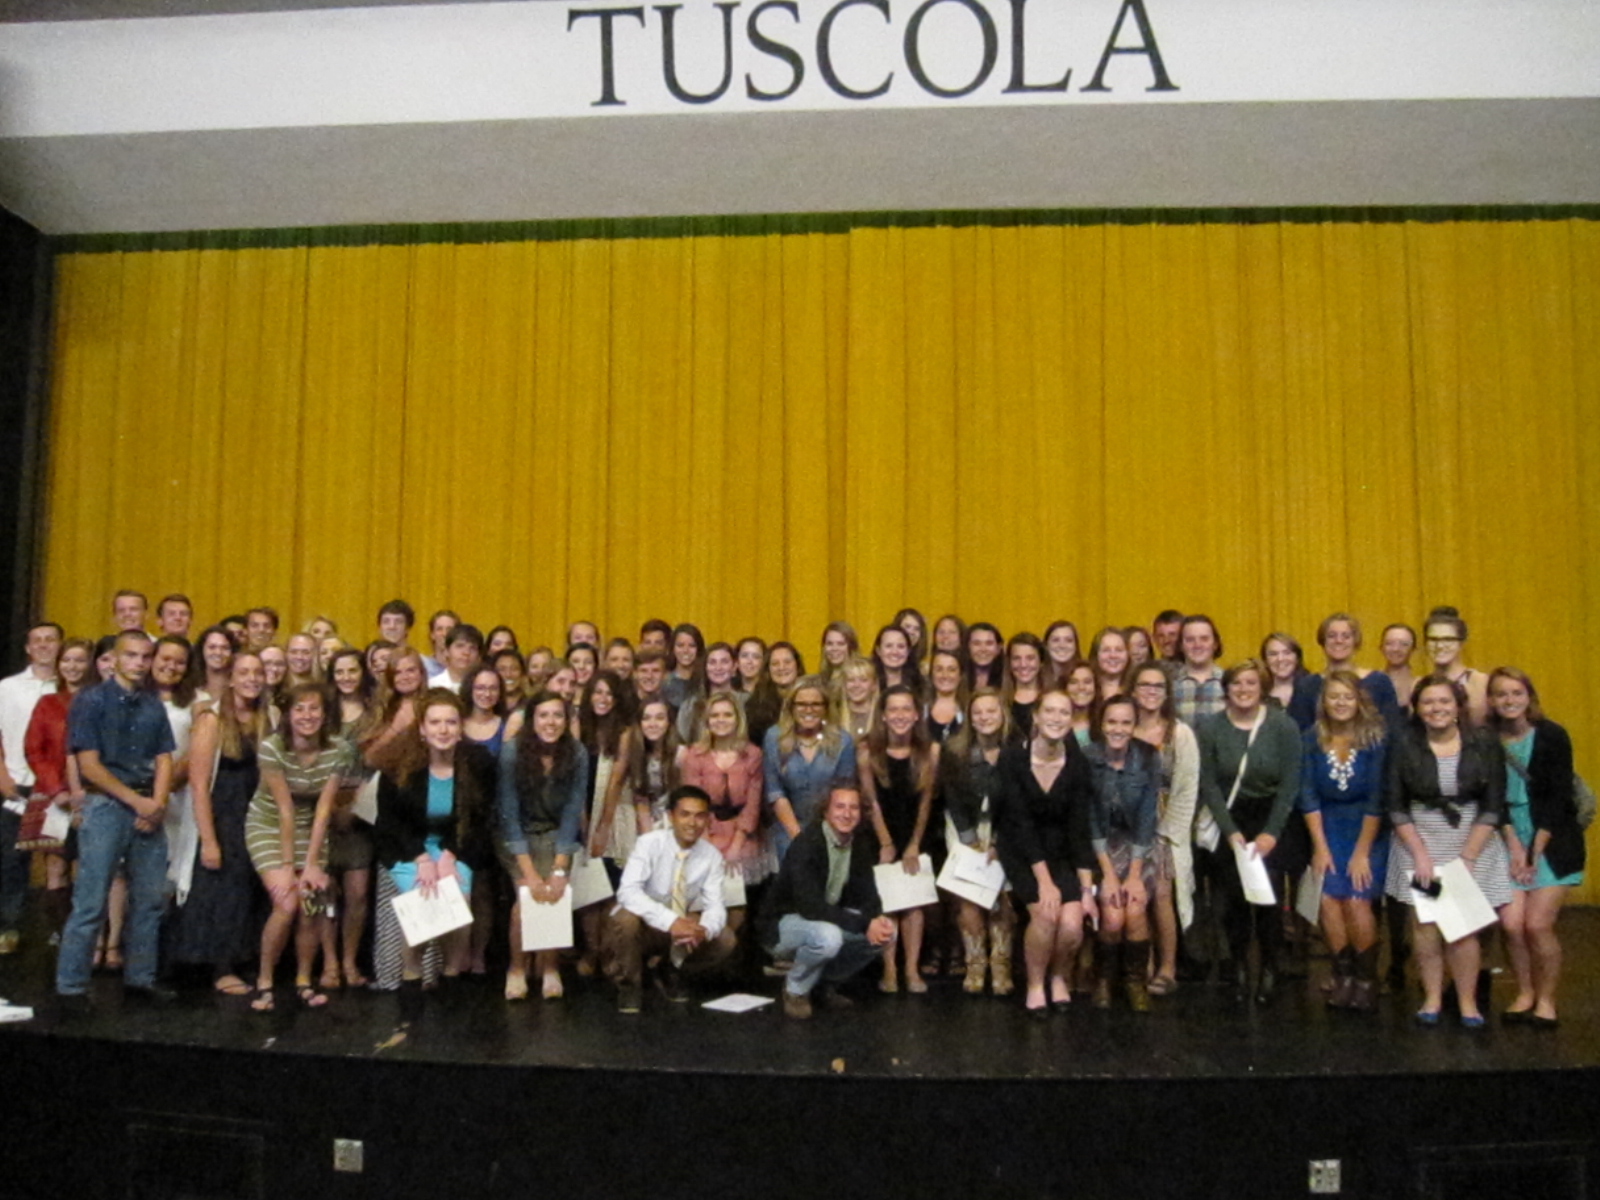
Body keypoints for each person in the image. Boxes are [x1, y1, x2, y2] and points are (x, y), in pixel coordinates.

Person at [56, 631, 177, 1008]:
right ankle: (71, 985)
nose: (139, 663)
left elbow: (164, 758)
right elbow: (89, 765)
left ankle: (140, 979)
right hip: (106, 804)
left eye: (145, 657)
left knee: (149, 900)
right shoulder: (91, 700)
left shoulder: (153, 704)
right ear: (115, 658)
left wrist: (156, 803)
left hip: (146, 803)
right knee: (91, 900)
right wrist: (137, 802)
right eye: (131, 656)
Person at [1384, 675, 1511, 1028]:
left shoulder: (1483, 742)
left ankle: (1467, 1001)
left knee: (1463, 926)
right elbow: (1395, 805)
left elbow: (1493, 804)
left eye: (1444, 701)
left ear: (1457, 706)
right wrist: (1421, 856)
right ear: (1417, 708)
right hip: (1419, 837)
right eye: (1428, 702)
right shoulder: (1404, 743)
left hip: (1472, 837)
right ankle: (1432, 998)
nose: (1436, 708)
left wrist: (1467, 857)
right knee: (1426, 923)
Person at [374, 689, 496, 991]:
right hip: (408, 848)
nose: (443, 730)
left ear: (460, 728)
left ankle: (452, 982)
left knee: (459, 906)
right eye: (435, 722)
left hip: (456, 845)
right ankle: (412, 979)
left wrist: (450, 855)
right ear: (422, 729)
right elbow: (390, 822)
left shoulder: (477, 762)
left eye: (451, 722)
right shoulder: (397, 764)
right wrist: (422, 858)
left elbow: (479, 819)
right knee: (425, 908)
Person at [1196, 659, 1302, 1005]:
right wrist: (1229, 831)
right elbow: (1209, 783)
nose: (1243, 690)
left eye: (1251, 683)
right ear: (1226, 689)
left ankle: (1271, 967)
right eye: (1236, 683)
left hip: (1272, 818)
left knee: (1270, 900)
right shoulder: (1210, 727)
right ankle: (1239, 966)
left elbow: (1290, 784)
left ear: (1262, 688)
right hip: (1230, 818)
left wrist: (1271, 833)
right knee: (1234, 901)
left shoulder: (1283, 726)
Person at [169, 651, 271, 996]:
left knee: (248, 891)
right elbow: (198, 784)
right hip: (222, 816)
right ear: (230, 678)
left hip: (255, 815)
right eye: (244, 672)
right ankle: (219, 967)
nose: (252, 679)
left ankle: (242, 960)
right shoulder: (212, 720)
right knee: (223, 892)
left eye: (257, 672)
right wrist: (209, 840)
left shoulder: (266, 719)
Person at [244, 684, 351, 1010]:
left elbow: (324, 809)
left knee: (311, 903)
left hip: (311, 826)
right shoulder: (272, 748)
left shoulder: (338, 749)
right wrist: (290, 867)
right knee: (287, 901)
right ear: (288, 715)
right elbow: (285, 809)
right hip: (269, 824)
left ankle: (303, 980)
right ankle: (265, 981)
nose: (307, 716)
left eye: (314, 708)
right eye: (299, 709)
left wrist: (313, 864)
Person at [1489, 667, 1583, 1027]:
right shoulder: (1487, 739)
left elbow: (1559, 798)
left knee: (1537, 925)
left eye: (1516, 693)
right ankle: (1525, 992)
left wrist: (1532, 853)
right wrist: (1514, 847)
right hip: (1507, 836)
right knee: (1512, 925)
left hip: (1553, 841)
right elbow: (1492, 799)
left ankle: (1546, 999)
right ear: (1491, 700)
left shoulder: (1552, 735)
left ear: (1529, 696)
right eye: (1501, 694)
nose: (1509, 700)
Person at [994, 689, 1097, 1018]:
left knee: (1072, 925)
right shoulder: (1012, 759)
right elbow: (1019, 823)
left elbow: (1079, 828)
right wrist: (1045, 882)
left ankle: (1058, 976)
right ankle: (1036, 985)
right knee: (1046, 915)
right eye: (1049, 711)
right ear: (1036, 717)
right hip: (1021, 851)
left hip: (1061, 853)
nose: (1056, 718)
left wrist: (1086, 890)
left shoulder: (1078, 764)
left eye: (1064, 712)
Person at [759, 785, 895, 1019]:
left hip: (824, 918)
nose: (847, 814)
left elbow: (868, 895)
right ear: (826, 811)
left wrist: (876, 919)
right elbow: (810, 907)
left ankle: (822, 984)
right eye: (840, 806)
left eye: (853, 808)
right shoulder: (807, 843)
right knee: (828, 937)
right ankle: (795, 989)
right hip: (783, 925)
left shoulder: (858, 844)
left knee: (888, 933)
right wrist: (864, 924)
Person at [1300, 670, 1390, 1012]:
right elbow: (1308, 794)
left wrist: (1362, 853)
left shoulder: (1375, 739)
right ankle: (1344, 975)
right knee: (1328, 899)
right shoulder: (1312, 738)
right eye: (1333, 696)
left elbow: (1376, 799)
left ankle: (1367, 979)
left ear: (1359, 701)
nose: (1340, 703)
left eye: (1347, 697)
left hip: (1367, 831)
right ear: (1323, 701)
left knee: (1356, 899)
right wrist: (1320, 847)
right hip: (1327, 827)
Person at [605, 784, 737, 1012]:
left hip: (679, 926)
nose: (692, 823)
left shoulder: (711, 856)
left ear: (707, 820)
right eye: (685, 814)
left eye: (699, 816)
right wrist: (670, 921)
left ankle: (670, 970)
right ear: (671, 816)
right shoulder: (649, 843)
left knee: (725, 938)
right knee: (626, 919)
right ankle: (629, 985)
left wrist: (704, 930)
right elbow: (628, 892)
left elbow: (715, 906)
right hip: (645, 924)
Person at [498, 690, 589, 1001]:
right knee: (526, 896)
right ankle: (517, 968)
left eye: (557, 715)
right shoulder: (512, 752)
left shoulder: (577, 753)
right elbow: (509, 813)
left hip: (555, 832)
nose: (551, 722)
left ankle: (550, 967)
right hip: (516, 834)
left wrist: (559, 867)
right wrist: (529, 872)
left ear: (566, 720)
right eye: (543, 715)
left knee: (554, 890)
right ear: (531, 719)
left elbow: (572, 811)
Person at [859, 685, 940, 994]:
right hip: (880, 833)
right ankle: (890, 968)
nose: (900, 715)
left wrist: (914, 843)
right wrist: (885, 842)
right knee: (888, 902)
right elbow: (870, 801)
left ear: (917, 714)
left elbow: (926, 801)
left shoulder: (930, 751)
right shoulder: (868, 751)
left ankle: (911, 968)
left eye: (906, 709)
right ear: (883, 715)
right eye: (893, 709)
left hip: (915, 832)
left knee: (913, 903)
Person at [1083, 694, 1160, 1011]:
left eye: (1126, 722)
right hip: (1098, 846)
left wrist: (1134, 874)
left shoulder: (1148, 756)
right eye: (1112, 722)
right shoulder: (1087, 758)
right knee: (1113, 915)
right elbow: (1090, 820)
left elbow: (1147, 818)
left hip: (1137, 845)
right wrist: (1110, 875)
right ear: (1101, 724)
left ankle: (1134, 982)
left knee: (1135, 908)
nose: (1118, 729)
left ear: (1134, 725)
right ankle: (1104, 979)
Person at [938, 688, 1015, 995]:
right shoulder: (954, 750)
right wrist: (970, 842)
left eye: (991, 711)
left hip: (1004, 830)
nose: (985, 717)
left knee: (1001, 897)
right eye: (978, 712)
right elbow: (952, 798)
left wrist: (999, 841)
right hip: (964, 828)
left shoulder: (1017, 749)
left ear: (1002, 714)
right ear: (970, 718)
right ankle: (975, 962)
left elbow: (1018, 802)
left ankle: (1001, 964)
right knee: (969, 898)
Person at [1129, 663, 1197, 997]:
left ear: (1167, 693)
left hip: (1165, 827)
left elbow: (1187, 788)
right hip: (1128, 828)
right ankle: (1144, 963)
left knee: (1162, 895)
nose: (1151, 691)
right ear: (1133, 690)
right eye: (1144, 685)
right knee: (1135, 897)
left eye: (1158, 686)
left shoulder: (1179, 734)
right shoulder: (1122, 727)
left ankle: (1167, 967)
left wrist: (1169, 834)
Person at [678, 692, 769, 934]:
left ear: (737, 719)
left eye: (727, 715)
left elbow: (753, 803)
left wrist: (736, 846)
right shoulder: (694, 755)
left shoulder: (753, 754)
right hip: (703, 834)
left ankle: (732, 948)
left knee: (736, 906)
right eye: (715, 715)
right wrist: (707, 846)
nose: (721, 720)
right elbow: (693, 803)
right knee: (705, 903)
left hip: (741, 834)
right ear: (707, 721)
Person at [23, 637, 93, 938]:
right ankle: (60, 934)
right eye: (67, 660)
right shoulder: (48, 703)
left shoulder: (99, 700)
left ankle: (90, 935)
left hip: (92, 794)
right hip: (54, 797)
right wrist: (57, 791)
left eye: (79, 660)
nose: (72, 666)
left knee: (92, 868)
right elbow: (34, 750)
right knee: (56, 867)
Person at [0, 621, 62, 954]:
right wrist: (2, 777)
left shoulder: (67, 687)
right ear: (27, 648)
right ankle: (9, 927)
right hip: (16, 785)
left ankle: (57, 930)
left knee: (57, 861)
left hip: (54, 787)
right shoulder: (6, 688)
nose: (43, 645)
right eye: (37, 640)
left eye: (50, 639)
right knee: (11, 861)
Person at [763, 678, 857, 861]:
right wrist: (799, 839)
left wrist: (826, 838)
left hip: (833, 829)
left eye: (816, 704)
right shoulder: (774, 737)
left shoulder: (842, 741)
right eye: (802, 704)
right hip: (788, 831)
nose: (808, 710)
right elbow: (775, 793)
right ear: (791, 707)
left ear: (825, 708)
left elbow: (843, 792)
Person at [1287, 614, 1401, 731]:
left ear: (1356, 641)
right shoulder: (1307, 685)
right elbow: (1298, 730)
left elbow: (1392, 728)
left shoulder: (1379, 682)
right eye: (1332, 636)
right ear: (1323, 641)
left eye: (1346, 636)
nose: (1339, 641)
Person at [1422, 606, 1488, 726]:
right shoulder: (1419, 685)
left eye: (1448, 639)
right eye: (1433, 639)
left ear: (1461, 643)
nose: (1439, 646)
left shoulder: (1480, 683)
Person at [1173, 615, 1225, 728]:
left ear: (1215, 644)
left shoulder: (1229, 682)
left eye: (1204, 639)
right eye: (1190, 640)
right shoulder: (1170, 684)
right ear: (1181, 645)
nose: (1197, 645)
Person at [1001, 632, 1044, 738]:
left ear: (1041, 661)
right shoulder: (999, 701)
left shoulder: (1053, 698)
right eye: (1016, 658)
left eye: (1030, 658)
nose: (1023, 664)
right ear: (1009, 662)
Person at [925, 649, 967, 744]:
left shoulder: (970, 709)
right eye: (939, 669)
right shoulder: (919, 708)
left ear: (960, 675)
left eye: (951, 670)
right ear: (931, 674)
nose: (945, 675)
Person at [663, 623, 706, 710]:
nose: (686, 650)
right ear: (672, 649)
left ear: (699, 649)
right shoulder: (664, 682)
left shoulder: (705, 681)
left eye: (692, 646)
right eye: (680, 645)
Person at [428, 623, 482, 691]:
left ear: (479, 656)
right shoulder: (432, 686)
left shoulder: (484, 687)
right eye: (460, 646)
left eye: (473, 648)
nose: (466, 652)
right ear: (446, 651)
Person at [1261, 632, 1306, 710]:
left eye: (1287, 653)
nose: (1280, 659)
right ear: (1265, 660)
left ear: (1297, 658)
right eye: (1273, 654)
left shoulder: (1313, 689)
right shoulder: (1259, 694)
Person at [838, 655, 878, 742]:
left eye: (863, 680)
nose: (856, 685)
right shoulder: (835, 717)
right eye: (851, 680)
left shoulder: (882, 717)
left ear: (874, 685)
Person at [1382, 624, 1419, 712]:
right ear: (1381, 647)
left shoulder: (1421, 685)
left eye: (1404, 644)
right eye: (1389, 643)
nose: (1396, 649)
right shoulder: (1371, 683)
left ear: (1413, 649)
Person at [1088, 626, 1131, 703]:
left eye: (1119, 650)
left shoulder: (1136, 689)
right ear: (1096, 655)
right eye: (1106, 650)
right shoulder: (1086, 689)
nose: (1113, 655)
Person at [819, 621, 859, 694]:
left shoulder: (859, 680)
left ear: (851, 647)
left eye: (841, 644)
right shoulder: (820, 681)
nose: (834, 648)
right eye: (829, 644)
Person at [197, 625, 235, 699]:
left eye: (225, 648)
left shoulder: (238, 689)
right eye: (212, 647)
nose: (218, 653)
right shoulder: (191, 690)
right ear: (201, 650)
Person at [965, 622, 1004, 691]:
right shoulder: (957, 677)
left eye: (989, 643)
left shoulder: (1009, 679)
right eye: (976, 643)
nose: (983, 649)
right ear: (968, 647)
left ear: (998, 648)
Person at [1042, 620, 1080, 689]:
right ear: (1046, 645)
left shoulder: (1085, 675)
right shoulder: (1037, 678)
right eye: (1055, 640)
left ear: (1076, 646)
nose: (1062, 645)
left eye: (1068, 640)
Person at [422, 610, 460, 677]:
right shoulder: (423, 666)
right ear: (432, 635)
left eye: (449, 629)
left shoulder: (465, 668)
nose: (444, 633)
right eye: (439, 629)